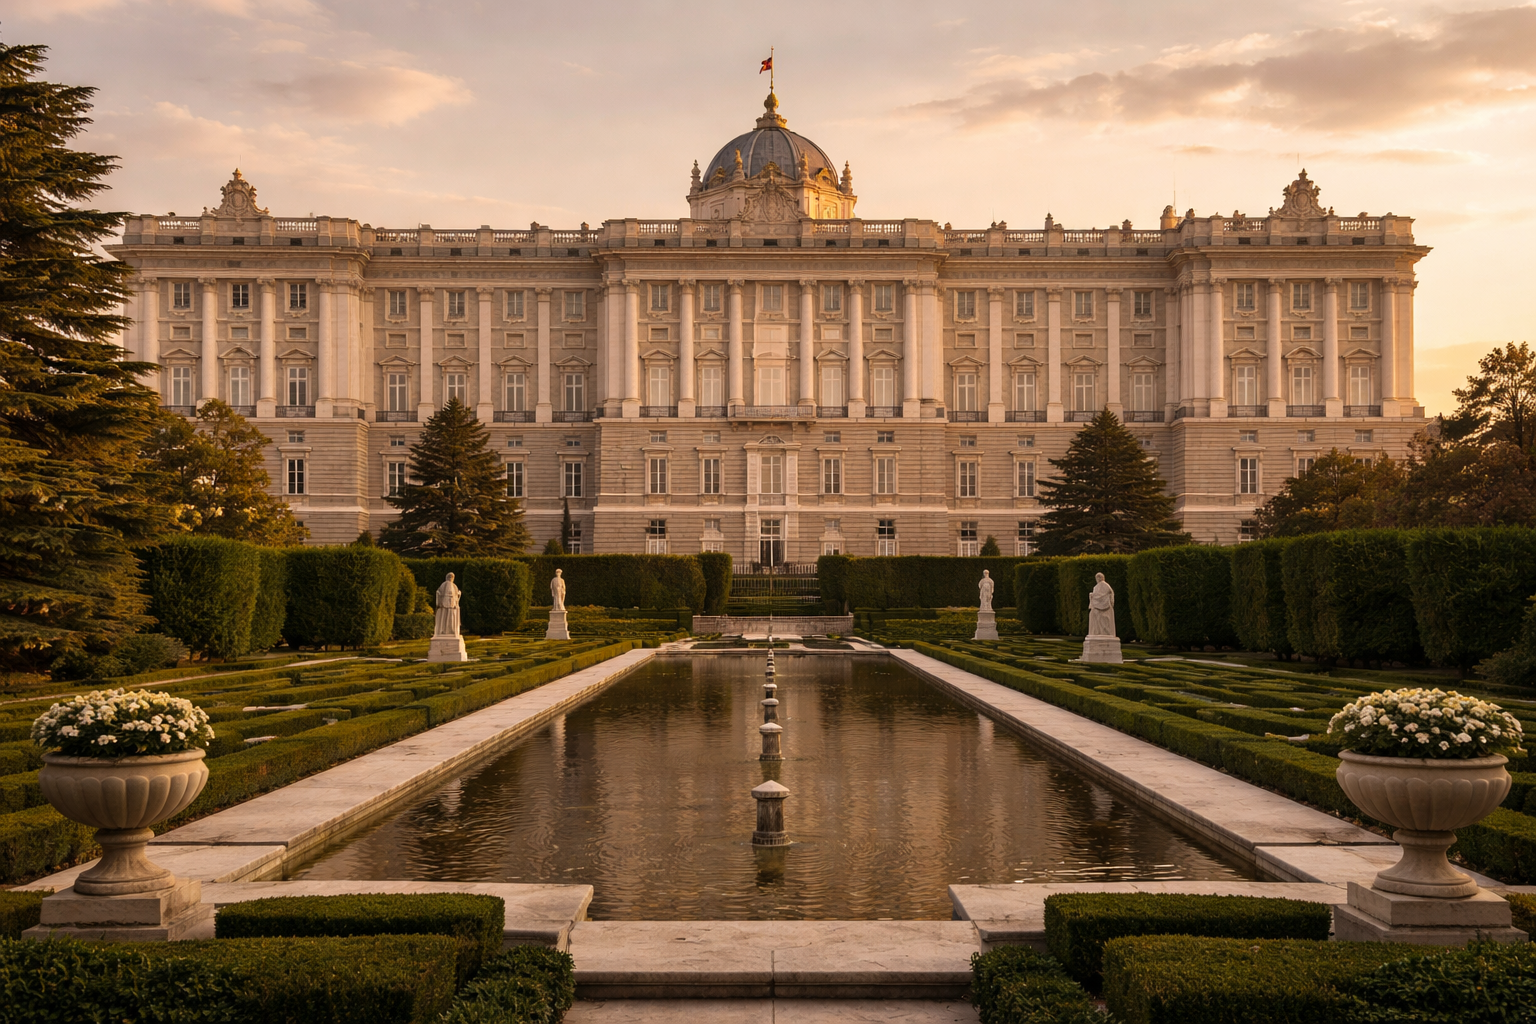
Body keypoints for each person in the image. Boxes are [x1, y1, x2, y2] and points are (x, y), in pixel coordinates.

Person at [1087, 572, 1116, 637]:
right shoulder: (1098, 587)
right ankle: (1098, 632)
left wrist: (1093, 596)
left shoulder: (1103, 586)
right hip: (1101, 605)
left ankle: (1101, 632)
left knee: (1098, 615)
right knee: (1094, 614)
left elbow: (1106, 595)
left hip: (1105, 606)